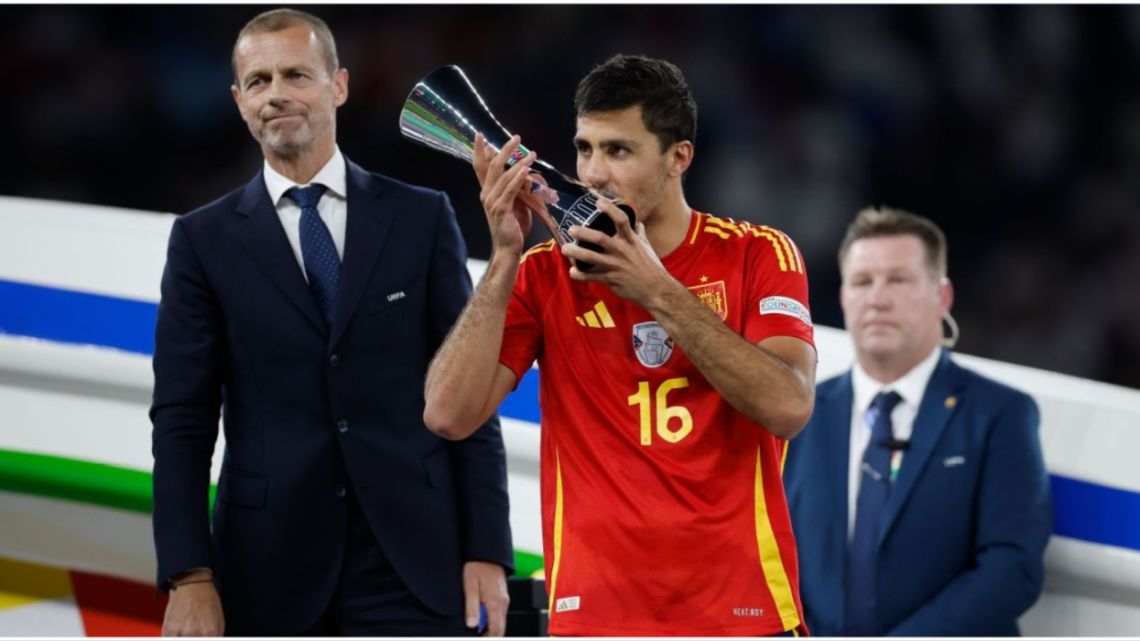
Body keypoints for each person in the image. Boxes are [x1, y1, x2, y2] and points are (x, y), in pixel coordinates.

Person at [423, 54, 818, 636]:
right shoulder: (542, 274)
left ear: (678, 157)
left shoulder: (758, 254)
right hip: (596, 618)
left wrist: (656, 290)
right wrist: (505, 255)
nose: (594, 174)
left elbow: (789, 406)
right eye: (585, 149)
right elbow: (447, 416)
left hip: (740, 613)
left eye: (619, 150)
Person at [150, 9, 512, 636]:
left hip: (415, 567)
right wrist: (189, 576)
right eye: (259, 81)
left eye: (296, 74)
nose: (277, 94)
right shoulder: (200, 241)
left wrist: (486, 550)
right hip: (266, 573)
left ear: (338, 85)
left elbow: (470, 396)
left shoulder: (420, 219)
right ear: (239, 102)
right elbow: (182, 420)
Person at [784, 207, 1053, 635]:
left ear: (941, 297)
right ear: (843, 298)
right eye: (862, 282)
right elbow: (770, 558)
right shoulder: (800, 413)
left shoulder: (999, 415)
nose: (878, 297)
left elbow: (1011, 568)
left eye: (898, 279)